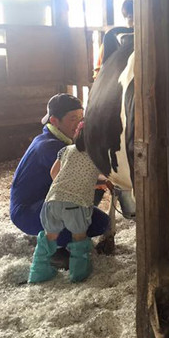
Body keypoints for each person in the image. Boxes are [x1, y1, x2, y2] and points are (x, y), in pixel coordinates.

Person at [10, 93, 110, 268]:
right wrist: (110, 179)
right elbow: (79, 176)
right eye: (73, 118)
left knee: (100, 222)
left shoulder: (55, 140)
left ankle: (60, 234)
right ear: (55, 121)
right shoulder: (51, 146)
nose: (79, 123)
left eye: (81, 117)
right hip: (28, 211)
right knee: (89, 224)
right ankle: (53, 249)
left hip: (49, 203)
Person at [29, 122, 111, 284]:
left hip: (52, 200)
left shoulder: (65, 150)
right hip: (76, 204)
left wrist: (67, 187)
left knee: (49, 237)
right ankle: (78, 274)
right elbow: (93, 177)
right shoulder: (97, 157)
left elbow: (54, 173)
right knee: (79, 238)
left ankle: (39, 272)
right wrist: (105, 182)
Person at [93, 0, 134, 79]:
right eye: (130, 17)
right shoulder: (112, 39)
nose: (135, 22)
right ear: (125, 18)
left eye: (139, 17)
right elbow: (99, 74)